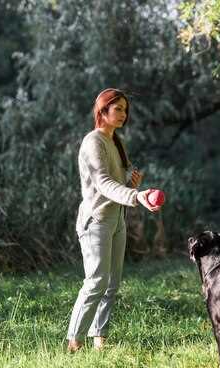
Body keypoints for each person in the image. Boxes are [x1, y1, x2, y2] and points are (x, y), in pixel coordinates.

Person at [66, 88, 161, 352]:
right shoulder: (93, 142)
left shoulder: (115, 141)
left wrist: (132, 179)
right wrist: (136, 195)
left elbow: (119, 177)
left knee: (112, 284)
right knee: (96, 281)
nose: (123, 114)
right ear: (102, 110)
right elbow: (103, 183)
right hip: (96, 220)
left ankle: (100, 339)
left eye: (125, 110)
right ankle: (74, 342)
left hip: (116, 219)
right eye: (117, 108)